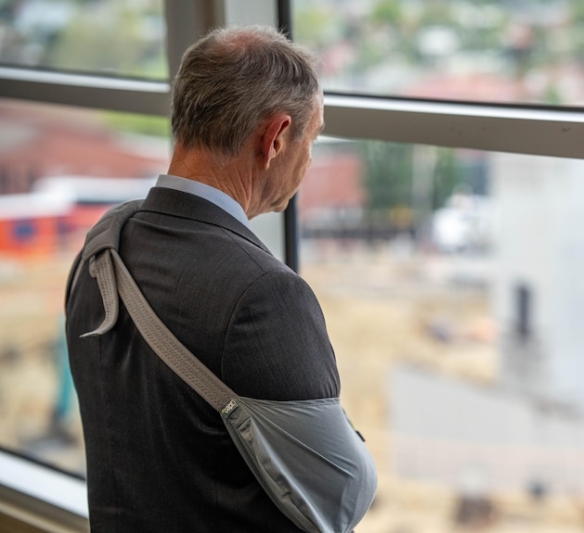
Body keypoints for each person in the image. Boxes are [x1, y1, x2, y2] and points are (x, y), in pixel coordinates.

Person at [65, 25, 375, 532]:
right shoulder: (263, 295)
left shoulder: (102, 248)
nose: (311, 158)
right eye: (312, 138)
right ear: (275, 138)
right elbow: (343, 494)